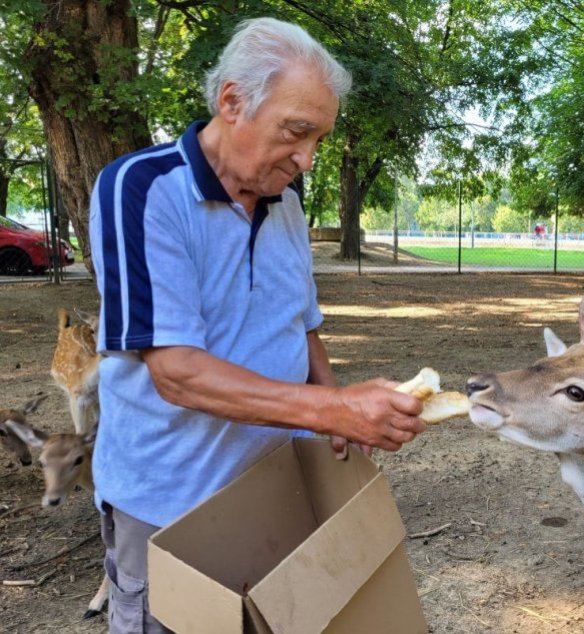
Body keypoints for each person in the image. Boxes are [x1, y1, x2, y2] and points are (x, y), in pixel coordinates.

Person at [88, 17, 426, 633]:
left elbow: (300, 323)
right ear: (233, 101)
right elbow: (178, 375)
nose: (307, 158)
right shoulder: (139, 189)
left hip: (276, 482)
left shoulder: (288, 205)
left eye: (320, 138)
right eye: (297, 132)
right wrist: (335, 410)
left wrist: (334, 409)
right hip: (170, 505)